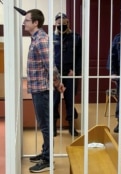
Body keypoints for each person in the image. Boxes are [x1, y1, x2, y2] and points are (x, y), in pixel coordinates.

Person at [22, 9, 65, 172]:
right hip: (37, 89)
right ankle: (45, 152)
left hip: (42, 90)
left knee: (46, 126)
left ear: (35, 23)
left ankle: (48, 160)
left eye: (27, 20)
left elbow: (50, 65)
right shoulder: (36, 38)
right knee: (43, 124)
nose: (24, 22)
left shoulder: (41, 40)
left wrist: (57, 82)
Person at [53, 12, 82, 137]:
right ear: (55, 24)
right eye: (59, 24)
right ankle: (53, 127)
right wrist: (53, 73)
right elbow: (48, 57)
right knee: (54, 101)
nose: (61, 26)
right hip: (55, 74)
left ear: (68, 23)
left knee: (70, 101)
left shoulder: (76, 37)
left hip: (70, 73)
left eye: (64, 23)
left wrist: (75, 71)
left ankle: (71, 127)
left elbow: (80, 56)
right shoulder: (51, 38)